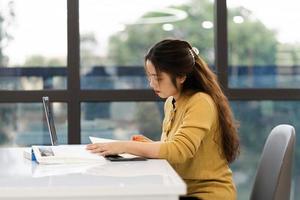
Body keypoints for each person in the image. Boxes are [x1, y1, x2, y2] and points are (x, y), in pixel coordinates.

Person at [87, 39, 240, 200]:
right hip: (179, 189)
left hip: (207, 194)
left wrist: (126, 146)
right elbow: (173, 149)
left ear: (181, 76)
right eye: (150, 77)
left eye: (158, 78)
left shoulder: (200, 101)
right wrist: (149, 146)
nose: (152, 84)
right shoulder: (171, 102)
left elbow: (179, 150)